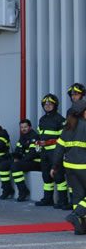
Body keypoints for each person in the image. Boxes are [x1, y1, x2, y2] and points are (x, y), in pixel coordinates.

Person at [56, 98, 86, 234]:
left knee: (78, 196)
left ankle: (80, 228)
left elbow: (58, 149)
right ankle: (76, 215)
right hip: (83, 166)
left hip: (69, 167)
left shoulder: (68, 126)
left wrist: (54, 166)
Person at [10, 118, 38, 202]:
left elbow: (33, 154)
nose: (23, 129)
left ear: (30, 127)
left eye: (25, 127)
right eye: (21, 127)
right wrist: (15, 157)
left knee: (15, 166)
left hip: (36, 162)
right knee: (4, 164)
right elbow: (18, 150)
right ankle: (7, 190)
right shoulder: (22, 137)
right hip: (26, 161)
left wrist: (20, 161)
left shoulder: (34, 137)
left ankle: (23, 191)